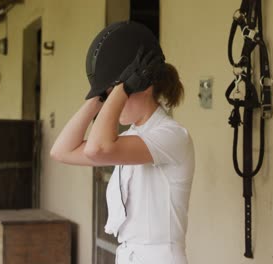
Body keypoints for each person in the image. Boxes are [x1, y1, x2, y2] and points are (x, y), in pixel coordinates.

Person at [50, 21, 195, 264]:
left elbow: (98, 148)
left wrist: (122, 88)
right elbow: (61, 151)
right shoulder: (130, 138)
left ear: (144, 86)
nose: (113, 104)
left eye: (120, 93)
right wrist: (99, 95)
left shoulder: (172, 135)